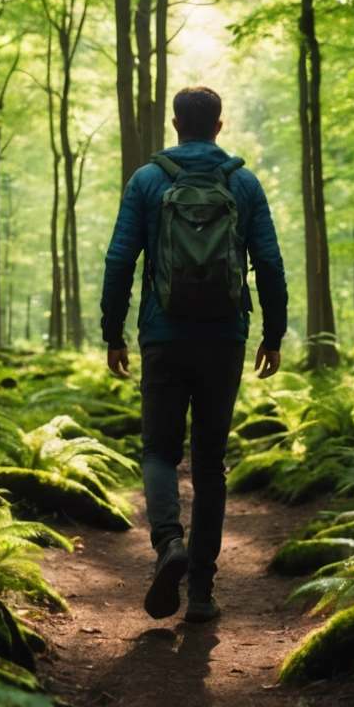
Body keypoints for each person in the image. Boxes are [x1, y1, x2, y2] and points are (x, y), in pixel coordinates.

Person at [100, 85, 287, 622]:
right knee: (210, 464)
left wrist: (113, 332)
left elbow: (120, 260)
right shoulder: (243, 182)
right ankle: (202, 591)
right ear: (219, 126)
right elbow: (269, 264)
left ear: (176, 125)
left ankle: (167, 546)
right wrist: (273, 334)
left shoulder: (147, 179)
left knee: (159, 451)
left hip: (162, 334)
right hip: (225, 337)